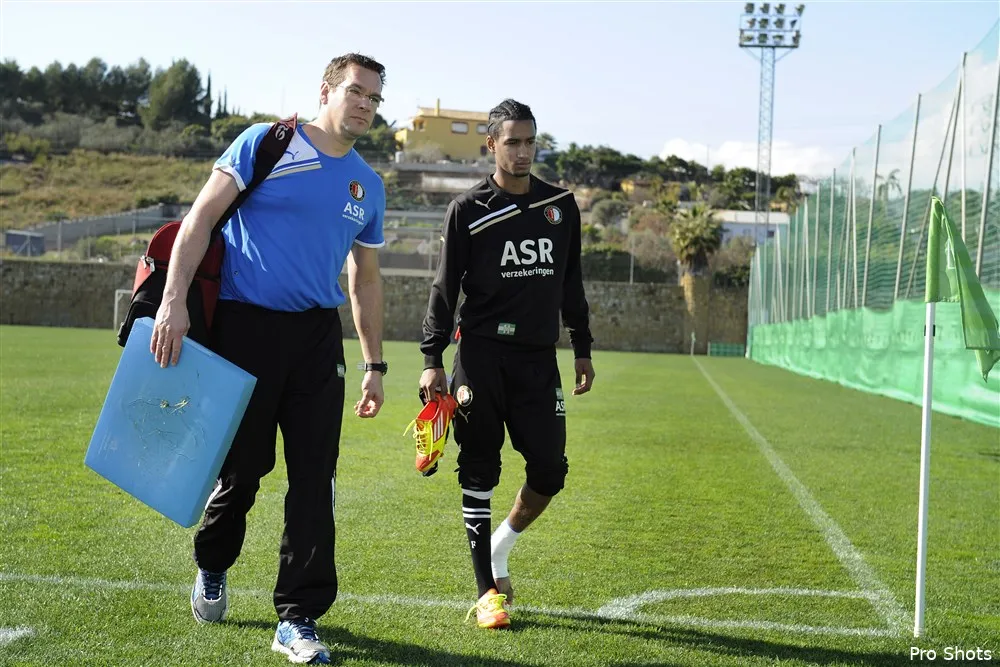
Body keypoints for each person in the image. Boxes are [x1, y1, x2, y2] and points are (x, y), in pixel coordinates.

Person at [150, 53, 389, 665]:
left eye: (374, 98)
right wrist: (172, 302)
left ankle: (298, 616)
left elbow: (363, 279)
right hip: (245, 329)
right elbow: (200, 220)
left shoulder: (368, 184)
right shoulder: (267, 143)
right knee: (244, 470)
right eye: (355, 92)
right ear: (327, 90)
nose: (364, 104)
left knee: (316, 476)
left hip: (316, 338)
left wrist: (373, 363)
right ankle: (212, 562)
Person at [417, 98, 596, 630]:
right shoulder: (468, 210)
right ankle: (485, 592)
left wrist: (582, 346)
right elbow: (444, 289)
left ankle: (499, 548)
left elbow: (571, 283)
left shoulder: (561, 206)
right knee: (479, 468)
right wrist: (432, 360)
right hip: (481, 356)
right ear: (490, 145)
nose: (521, 151)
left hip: (539, 360)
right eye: (511, 141)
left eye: (529, 141)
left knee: (550, 470)